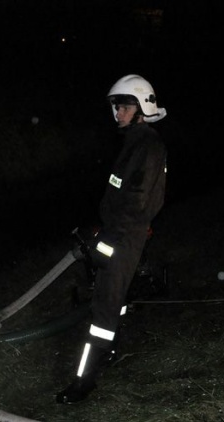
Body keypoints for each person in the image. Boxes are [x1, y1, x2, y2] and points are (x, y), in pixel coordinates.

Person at [56, 74, 168, 404]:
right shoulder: (135, 143)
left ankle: (82, 382)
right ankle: (111, 350)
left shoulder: (148, 146)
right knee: (111, 300)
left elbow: (136, 201)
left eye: (123, 106)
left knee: (103, 309)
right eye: (117, 106)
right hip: (118, 233)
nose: (117, 112)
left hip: (123, 237)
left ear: (140, 107)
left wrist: (106, 242)